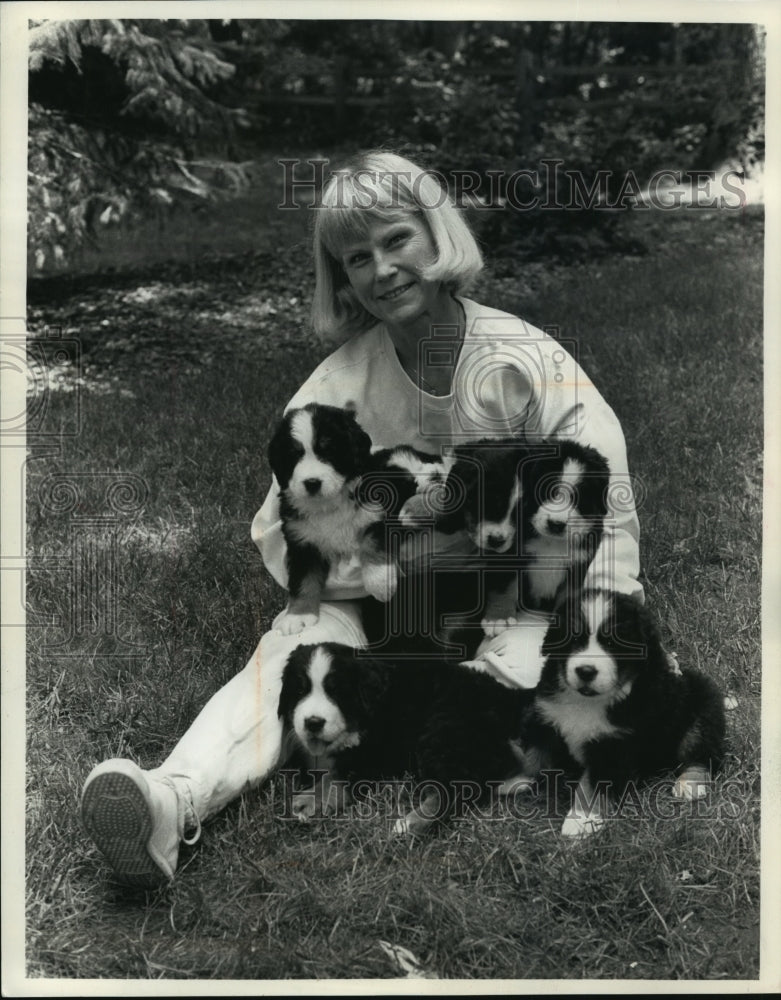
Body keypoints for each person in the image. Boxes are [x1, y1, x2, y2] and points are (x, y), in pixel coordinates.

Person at [80, 150, 642, 887]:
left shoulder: (525, 362)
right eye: (356, 257)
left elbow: (604, 512)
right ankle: (171, 799)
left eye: (396, 240)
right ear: (341, 279)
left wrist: (586, 623)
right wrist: (402, 567)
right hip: (379, 602)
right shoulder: (336, 387)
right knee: (297, 645)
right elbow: (286, 531)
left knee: (533, 677)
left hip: (525, 606)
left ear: (436, 236)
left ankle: (471, 740)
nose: (380, 270)